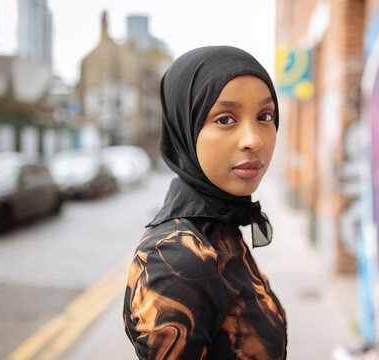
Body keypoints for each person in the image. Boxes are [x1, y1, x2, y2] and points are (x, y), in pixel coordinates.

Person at [123, 46, 287, 360]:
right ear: (185, 126)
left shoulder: (220, 222)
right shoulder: (174, 260)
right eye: (225, 119)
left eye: (265, 116)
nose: (254, 139)